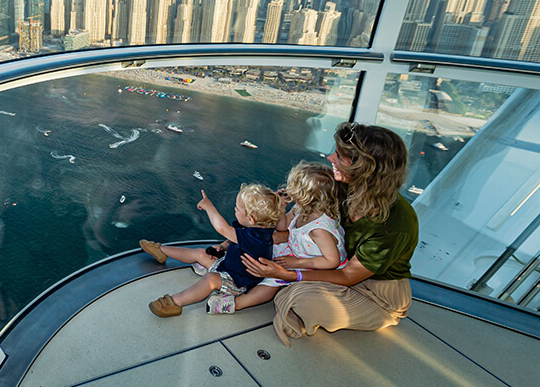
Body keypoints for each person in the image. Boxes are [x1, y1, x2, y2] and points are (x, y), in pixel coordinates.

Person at [242, 122, 418, 346]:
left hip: (375, 293)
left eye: (340, 156)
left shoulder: (395, 224)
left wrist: (290, 274)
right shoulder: (340, 188)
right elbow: (300, 229)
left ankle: (381, 316)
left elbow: (347, 277)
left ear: (363, 167)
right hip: (335, 266)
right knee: (263, 251)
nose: (330, 157)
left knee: (298, 297)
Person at [209, 161, 348, 313]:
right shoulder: (301, 208)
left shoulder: (319, 230)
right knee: (259, 246)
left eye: (293, 186)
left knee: (271, 281)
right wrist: (281, 207)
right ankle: (229, 270)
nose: (289, 189)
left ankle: (236, 303)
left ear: (305, 195)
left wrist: (298, 262)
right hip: (299, 251)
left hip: (315, 263)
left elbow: (332, 261)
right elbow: (282, 226)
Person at [141, 184, 283, 317]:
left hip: (237, 281)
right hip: (228, 265)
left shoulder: (258, 237)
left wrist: (209, 207)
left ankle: (175, 302)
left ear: (251, 219)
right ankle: (161, 251)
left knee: (210, 280)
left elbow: (223, 229)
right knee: (201, 253)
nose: (234, 209)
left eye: (237, 209)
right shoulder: (257, 228)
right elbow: (236, 239)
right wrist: (223, 246)